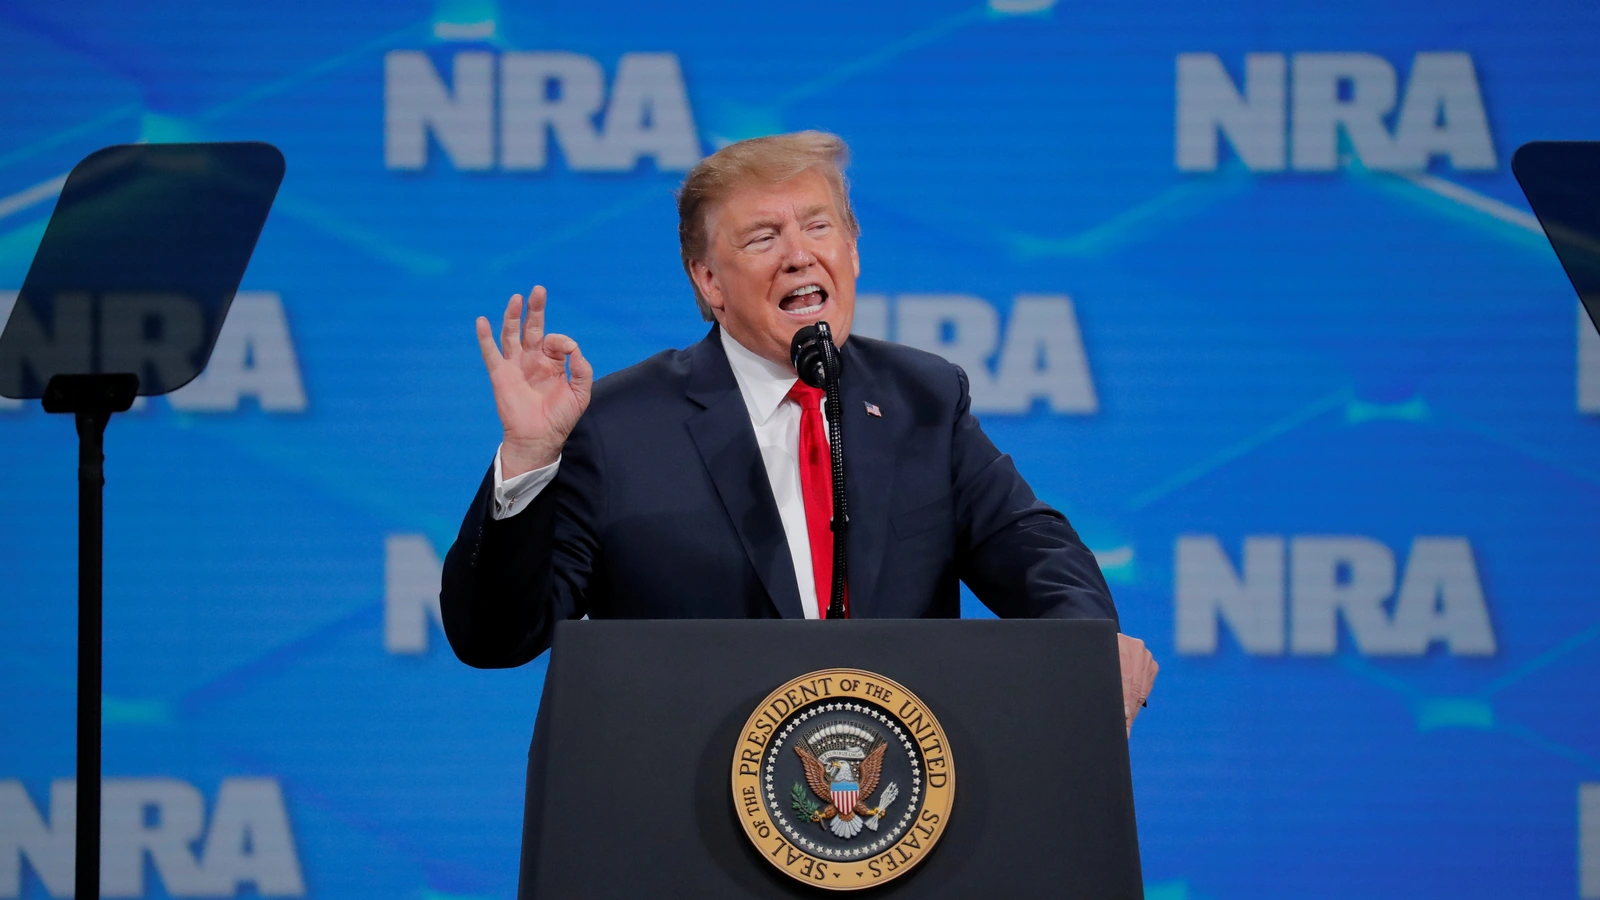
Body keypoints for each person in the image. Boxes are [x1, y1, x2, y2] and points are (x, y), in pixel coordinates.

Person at [440, 131, 1158, 732]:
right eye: (763, 237)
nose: (799, 253)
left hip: (896, 820)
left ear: (853, 250)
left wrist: (1085, 647)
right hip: (684, 825)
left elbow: (1033, 549)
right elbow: (497, 638)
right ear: (709, 281)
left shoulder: (922, 399)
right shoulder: (620, 424)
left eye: (819, 226)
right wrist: (531, 456)